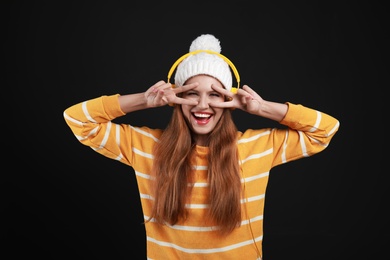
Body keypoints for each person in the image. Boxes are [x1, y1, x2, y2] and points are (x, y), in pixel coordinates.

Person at [63, 34, 340, 259]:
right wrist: (145, 100)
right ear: (176, 99)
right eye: (191, 93)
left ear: (229, 100)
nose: (203, 105)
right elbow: (78, 120)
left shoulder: (257, 147)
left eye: (215, 95)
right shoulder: (147, 147)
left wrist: (261, 108)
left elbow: (325, 131)